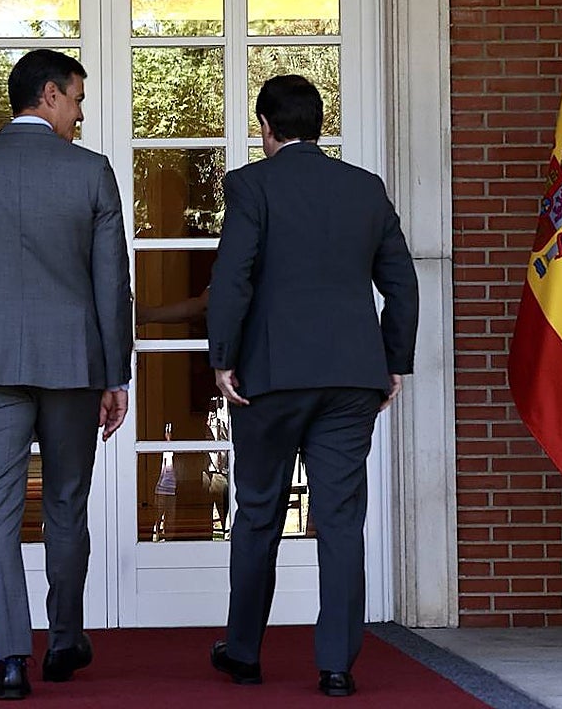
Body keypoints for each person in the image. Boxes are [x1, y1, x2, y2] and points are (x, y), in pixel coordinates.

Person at [0, 48, 132, 700]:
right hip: (73, 362)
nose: (79, 114)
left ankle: (11, 659)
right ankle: (64, 639)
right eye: (77, 100)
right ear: (48, 95)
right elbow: (112, 285)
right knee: (67, 502)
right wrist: (115, 375)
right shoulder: (91, 172)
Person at [205, 75, 418, 698]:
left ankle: (244, 653)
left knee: (258, 512)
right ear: (318, 124)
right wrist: (394, 359)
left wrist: (223, 358)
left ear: (265, 127)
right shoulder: (365, 187)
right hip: (352, 377)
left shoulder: (251, 184)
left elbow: (234, 275)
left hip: (270, 376)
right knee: (341, 517)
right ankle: (337, 665)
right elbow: (401, 282)